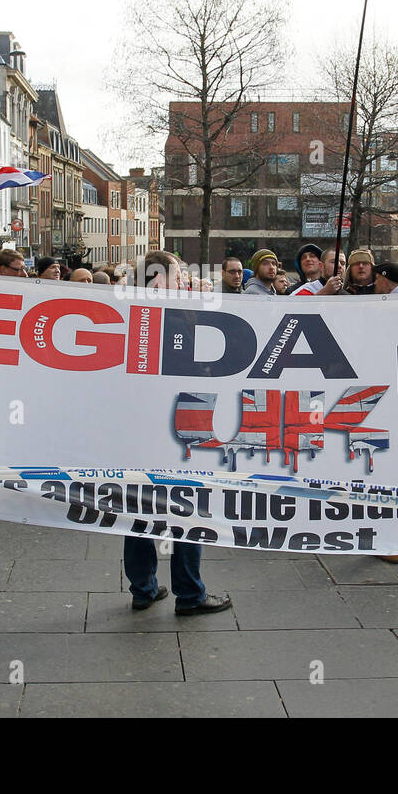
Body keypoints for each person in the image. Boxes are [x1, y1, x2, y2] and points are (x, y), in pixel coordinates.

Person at [123, 252, 232, 615]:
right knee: (187, 508)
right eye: (180, 275)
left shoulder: (127, 314)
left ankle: (143, 587)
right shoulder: (182, 319)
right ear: (157, 281)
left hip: (138, 429)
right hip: (178, 426)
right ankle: (189, 593)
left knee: (139, 508)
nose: (187, 281)